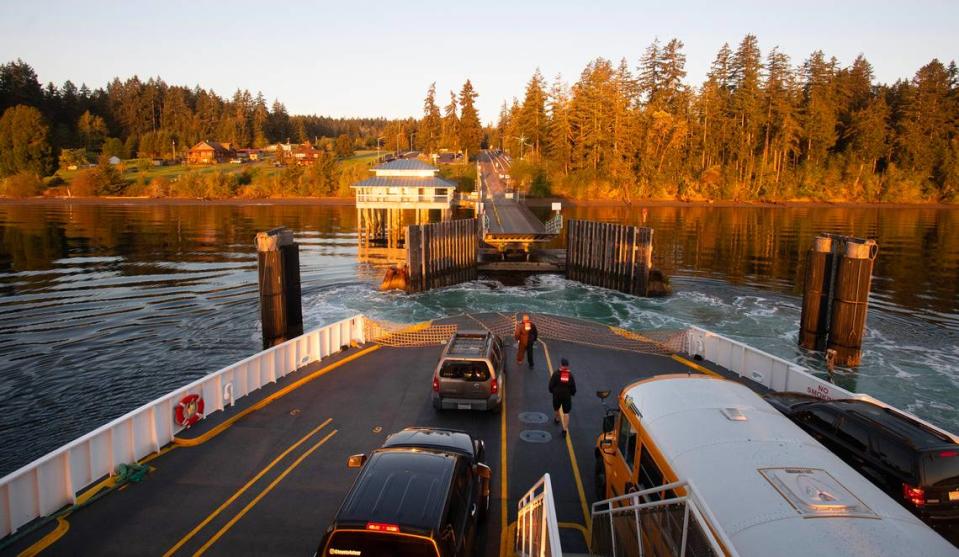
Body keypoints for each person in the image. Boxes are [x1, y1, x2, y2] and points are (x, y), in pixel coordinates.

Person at [549, 358, 577, 438]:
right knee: (566, 412)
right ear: (568, 366)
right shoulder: (570, 375)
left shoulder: (556, 374)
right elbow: (573, 388)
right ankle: (564, 429)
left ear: (561, 365)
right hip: (566, 396)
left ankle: (557, 418)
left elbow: (551, 385)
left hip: (557, 395)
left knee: (556, 408)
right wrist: (571, 393)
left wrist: (553, 392)